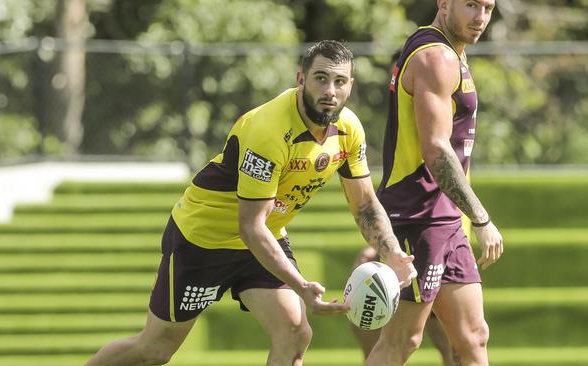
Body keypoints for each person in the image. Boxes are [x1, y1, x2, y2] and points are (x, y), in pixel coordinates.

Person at [85, 40, 416, 366]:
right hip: (204, 239)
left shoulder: (349, 130)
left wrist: (393, 254)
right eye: (321, 78)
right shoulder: (268, 130)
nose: (330, 90)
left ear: (350, 86)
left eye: (339, 81)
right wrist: (300, 286)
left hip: (262, 239)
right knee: (154, 350)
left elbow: (365, 205)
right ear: (301, 79)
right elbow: (250, 226)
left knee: (295, 333)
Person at [366, 1, 504, 365]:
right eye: (471, 5)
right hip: (419, 215)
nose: (480, 17)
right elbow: (437, 150)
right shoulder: (436, 57)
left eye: (488, 8)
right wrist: (481, 218)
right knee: (401, 341)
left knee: (473, 338)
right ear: (444, 2)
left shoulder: (451, 53)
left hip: (445, 217)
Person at [349, 49, 456, 366]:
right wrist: (380, 251)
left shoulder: (440, 128)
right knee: (394, 336)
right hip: (414, 243)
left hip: (441, 243)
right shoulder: (400, 137)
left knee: (461, 345)